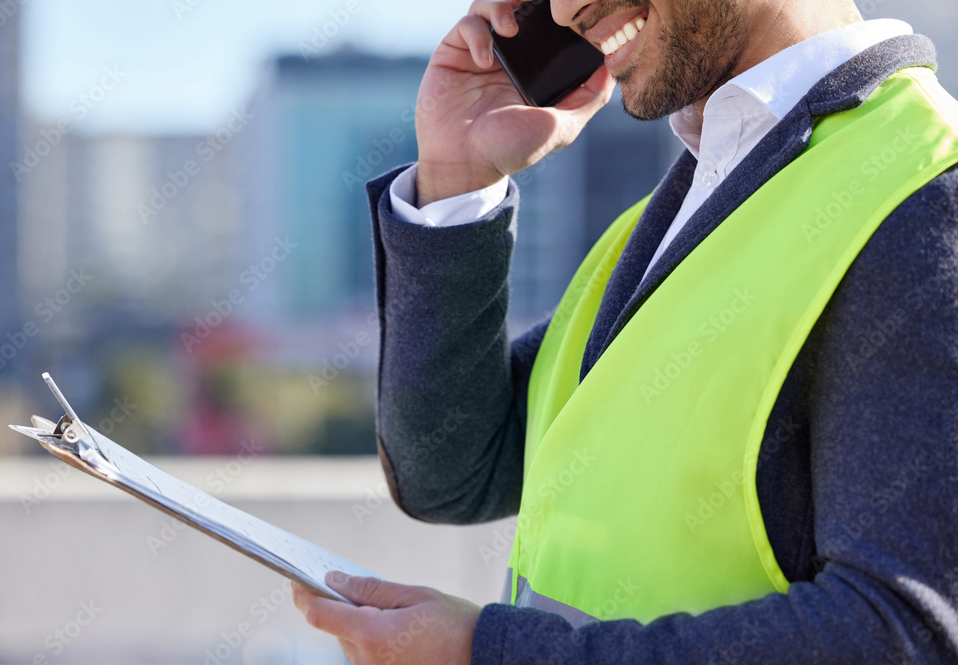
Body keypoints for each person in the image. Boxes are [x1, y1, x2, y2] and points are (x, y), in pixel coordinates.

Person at [292, 0, 958, 662]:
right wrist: (457, 177)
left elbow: (903, 631)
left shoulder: (926, 192)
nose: (563, 8)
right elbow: (452, 472)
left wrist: (491, 652)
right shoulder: (667, 218)